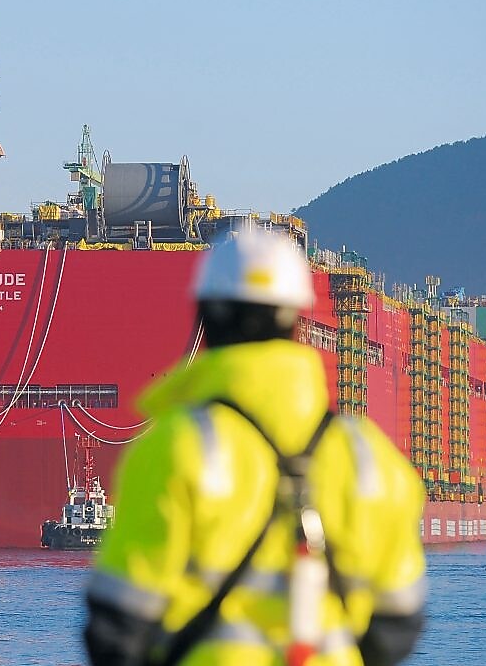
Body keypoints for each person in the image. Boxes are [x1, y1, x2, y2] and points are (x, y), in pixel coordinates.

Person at [84, 228, 426, 666]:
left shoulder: (175, 446)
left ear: (205, 315)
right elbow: (398, 625)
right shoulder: (368, 456)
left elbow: (117, 627)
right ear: (299, 319)